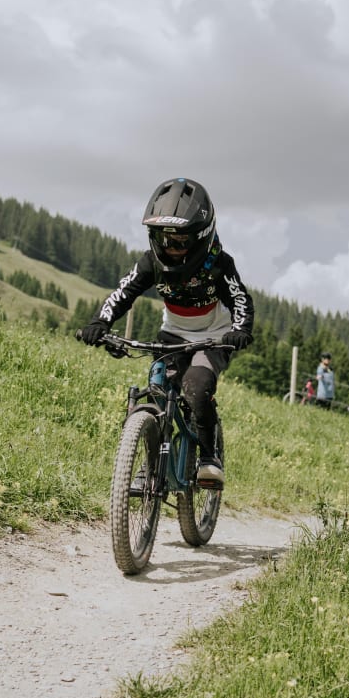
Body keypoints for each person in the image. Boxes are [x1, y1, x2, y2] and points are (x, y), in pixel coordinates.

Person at [79, 177, 254, 488]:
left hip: (213, 337)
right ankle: (150, 465)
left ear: (200, 237)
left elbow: (240, 299)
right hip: (172, 335)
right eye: (161, 239)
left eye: (179, 241)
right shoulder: (150, 263)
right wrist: (100, 323)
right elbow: (122, 293)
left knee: (197, 387)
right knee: (159, 391)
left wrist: (240, 330)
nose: (169, 248)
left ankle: (208, 457)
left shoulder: (219, 265)